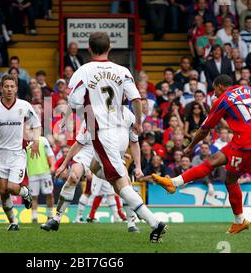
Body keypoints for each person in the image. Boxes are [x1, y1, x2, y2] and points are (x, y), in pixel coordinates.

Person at [41, 32, 167, 243]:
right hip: (120, 133)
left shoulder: (84, 71)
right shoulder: (122, 70)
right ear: (110, 48)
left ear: (89, 49)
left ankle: (154, 223)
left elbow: (74, 101)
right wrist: (137, 121)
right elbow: (135, 98)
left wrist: (68, 116)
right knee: (106, 175)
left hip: (102, 133)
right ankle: (145, 222)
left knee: (119, 183)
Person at [152, 74, 251, 234]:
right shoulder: (249, 90)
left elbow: (204, 129)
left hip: (246, 144)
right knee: (213, 160)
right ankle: (174, 183)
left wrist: (191, 146)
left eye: (215, 90)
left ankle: (240, 221)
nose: (214, 94)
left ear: (220, 86)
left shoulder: (223, 100)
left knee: (230, 180)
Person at [0, 74, 41, 231]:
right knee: (3, 191)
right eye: (6, 86)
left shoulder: (24, 105)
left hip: (17, 153)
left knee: (13, 187)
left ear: (16, 88)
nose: (9, 89)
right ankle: (13, 222)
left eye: (12, 86)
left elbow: (37, 124)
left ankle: (25, 193)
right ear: (1, 88)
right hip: (0, 154)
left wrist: (36, 141)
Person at [26, 136, 56, 223]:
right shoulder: (25, 141)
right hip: (32, 173)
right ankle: (34, 218)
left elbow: (50, 154)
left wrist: (53, 166)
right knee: (34, 196)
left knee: (49, 194)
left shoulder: (43, 140)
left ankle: (50, 216)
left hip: (45, 172)